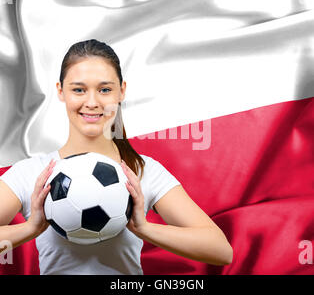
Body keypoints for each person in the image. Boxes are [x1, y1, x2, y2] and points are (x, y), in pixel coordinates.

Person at [0, 39, 233, 275]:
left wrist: (144, 228)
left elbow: (221, 250)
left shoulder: (142, 171)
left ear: (121, 91)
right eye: (78, 89)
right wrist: (30, 228)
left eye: (105, 89)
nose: (91, 102)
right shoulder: (32, 172)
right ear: (61, 91)